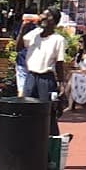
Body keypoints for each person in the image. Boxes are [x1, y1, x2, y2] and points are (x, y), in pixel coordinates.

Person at [16, 8, 66, 136]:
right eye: (42, 15)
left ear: (54, 21)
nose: (43, 18)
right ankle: (27, 138)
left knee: (47, 112)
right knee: (27, 108)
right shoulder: (35, 34)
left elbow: (59, 63)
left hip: (46, 78)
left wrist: (62, 84)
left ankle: (51, 140)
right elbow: (19, 47)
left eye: (47, 16)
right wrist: (23, 28)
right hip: (31, 76)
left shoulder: (58, 39)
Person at [67, 31, 86, 109]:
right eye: (79, 42)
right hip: (79, 76)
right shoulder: (79, 55)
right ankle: (70, 104)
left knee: (73, 77)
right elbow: (77, 67)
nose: (79, 43)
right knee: (73, 79)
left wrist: (75, 72)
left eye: (81, 42)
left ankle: (71, 104)